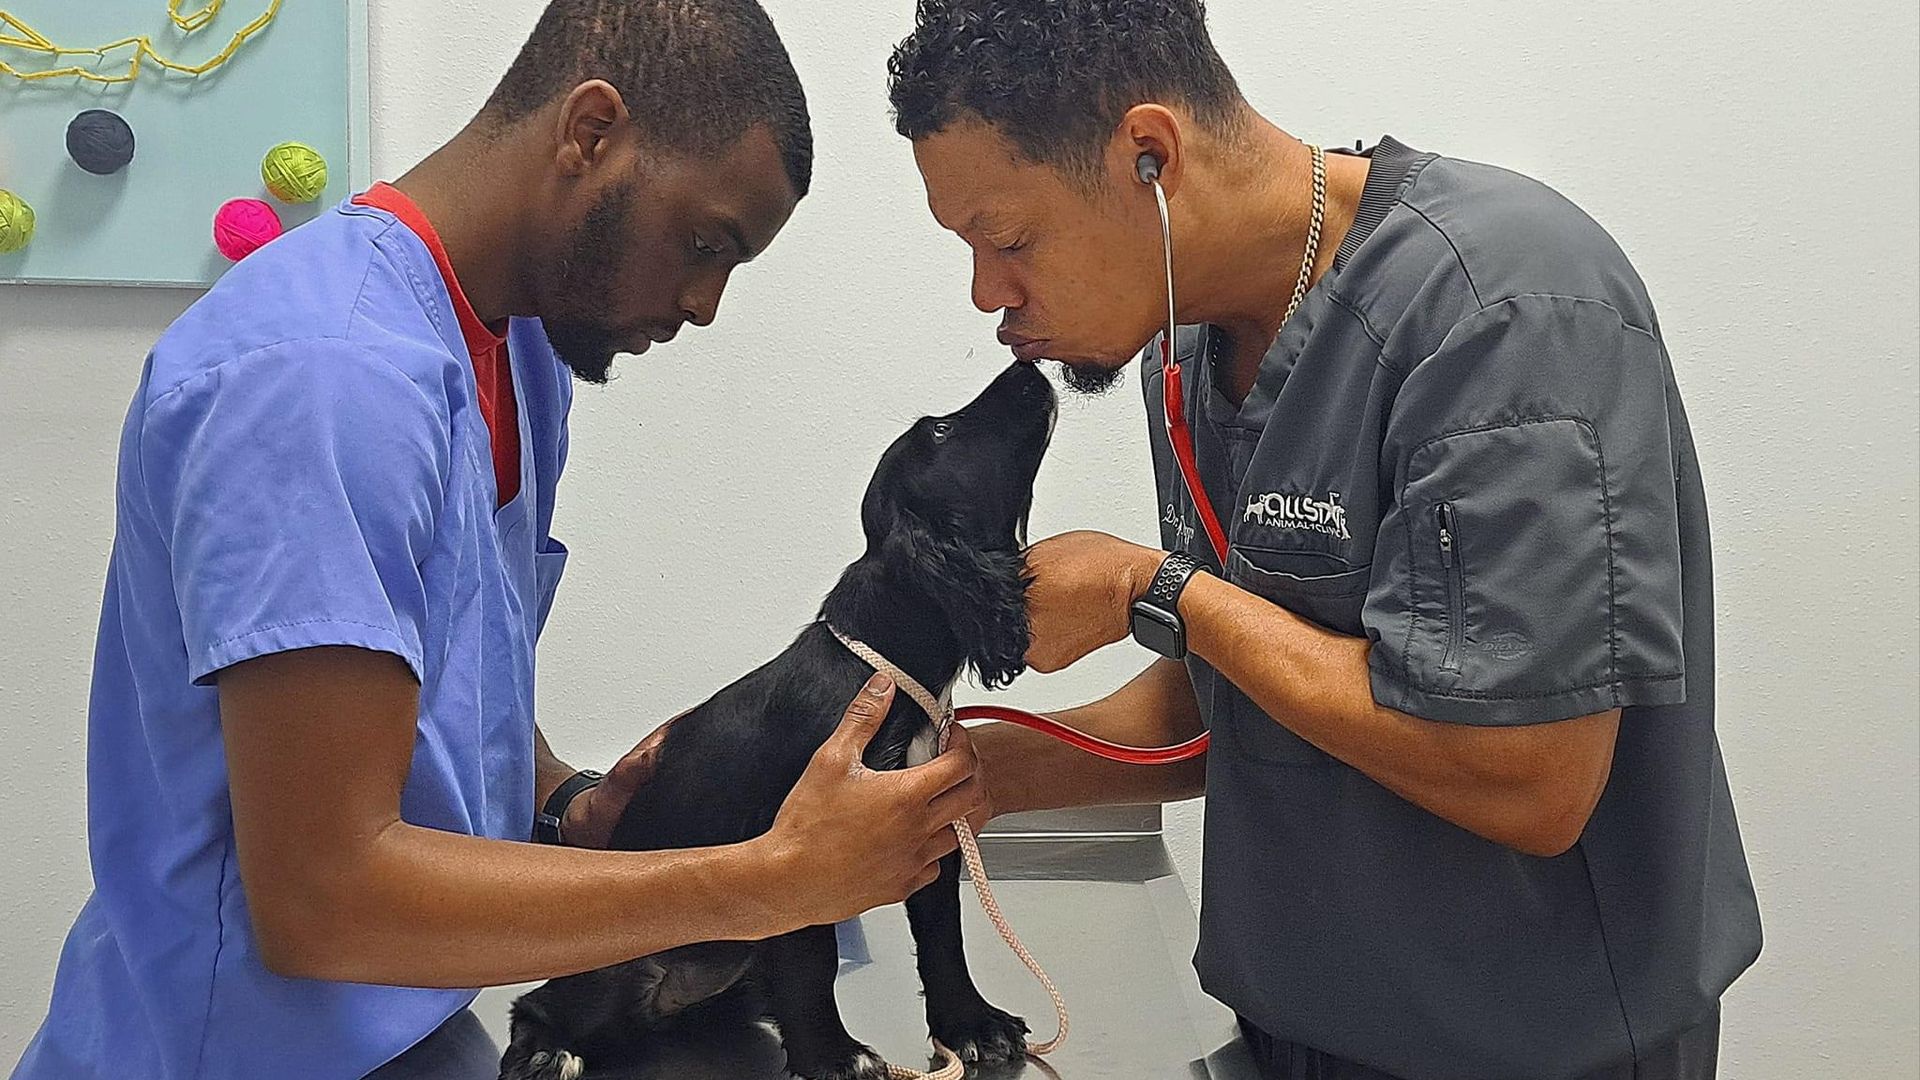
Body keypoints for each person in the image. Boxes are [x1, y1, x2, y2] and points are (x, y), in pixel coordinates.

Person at [13, 3, 989, 1078]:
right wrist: (766, 881)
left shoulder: (517, 352)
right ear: (590, 132)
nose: (705, 303)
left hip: (406, 1023)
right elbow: (325, 901)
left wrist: (566, 802)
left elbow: (423, 684)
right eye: (705, 244)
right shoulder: (323, 382)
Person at [889, 3, 1761, 1078]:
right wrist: (974, 778)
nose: (987, 294)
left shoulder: (1501, 307)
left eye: (1009, 240)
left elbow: (1526, 777)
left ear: (1149, 157)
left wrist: (1152, 591)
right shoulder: (1186, 346)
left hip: (1537, 1047)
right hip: (1292, 1033)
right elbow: (1248, 692)